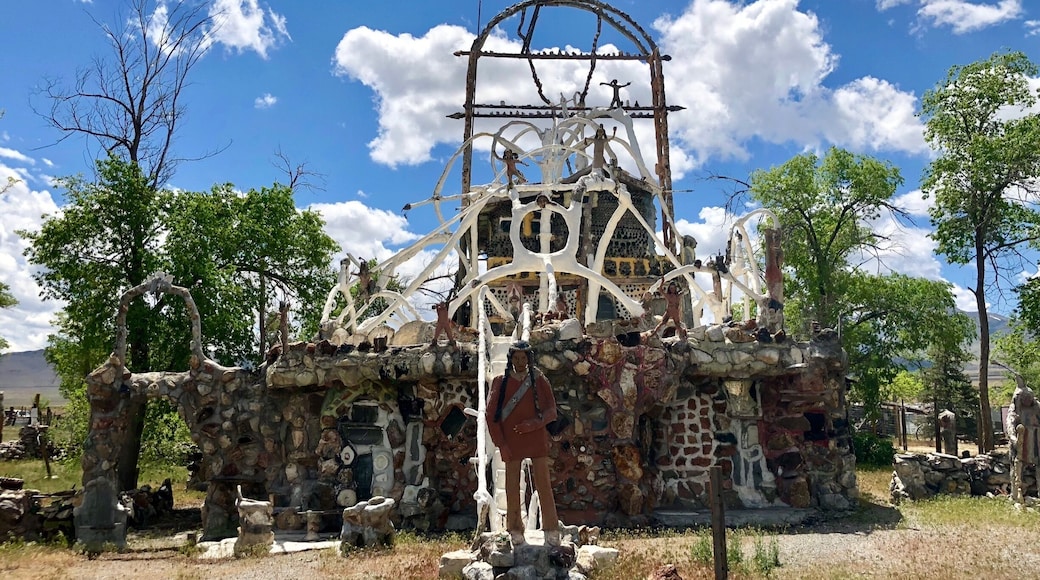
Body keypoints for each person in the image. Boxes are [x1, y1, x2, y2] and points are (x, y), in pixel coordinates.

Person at [485, 341, 561, 546]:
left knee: (544, 484)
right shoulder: (500, 383)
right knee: (511, 486)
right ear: (511, 359)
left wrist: (535, 424)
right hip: (512, 442)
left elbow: (551, 411)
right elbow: (491, 416)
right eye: (516, 358)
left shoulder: (539, 380)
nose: (520, 362)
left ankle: (551, 527)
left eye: (523, 358)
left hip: (536, 439)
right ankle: (515, 528)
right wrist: (502, 444)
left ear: (529, 358)